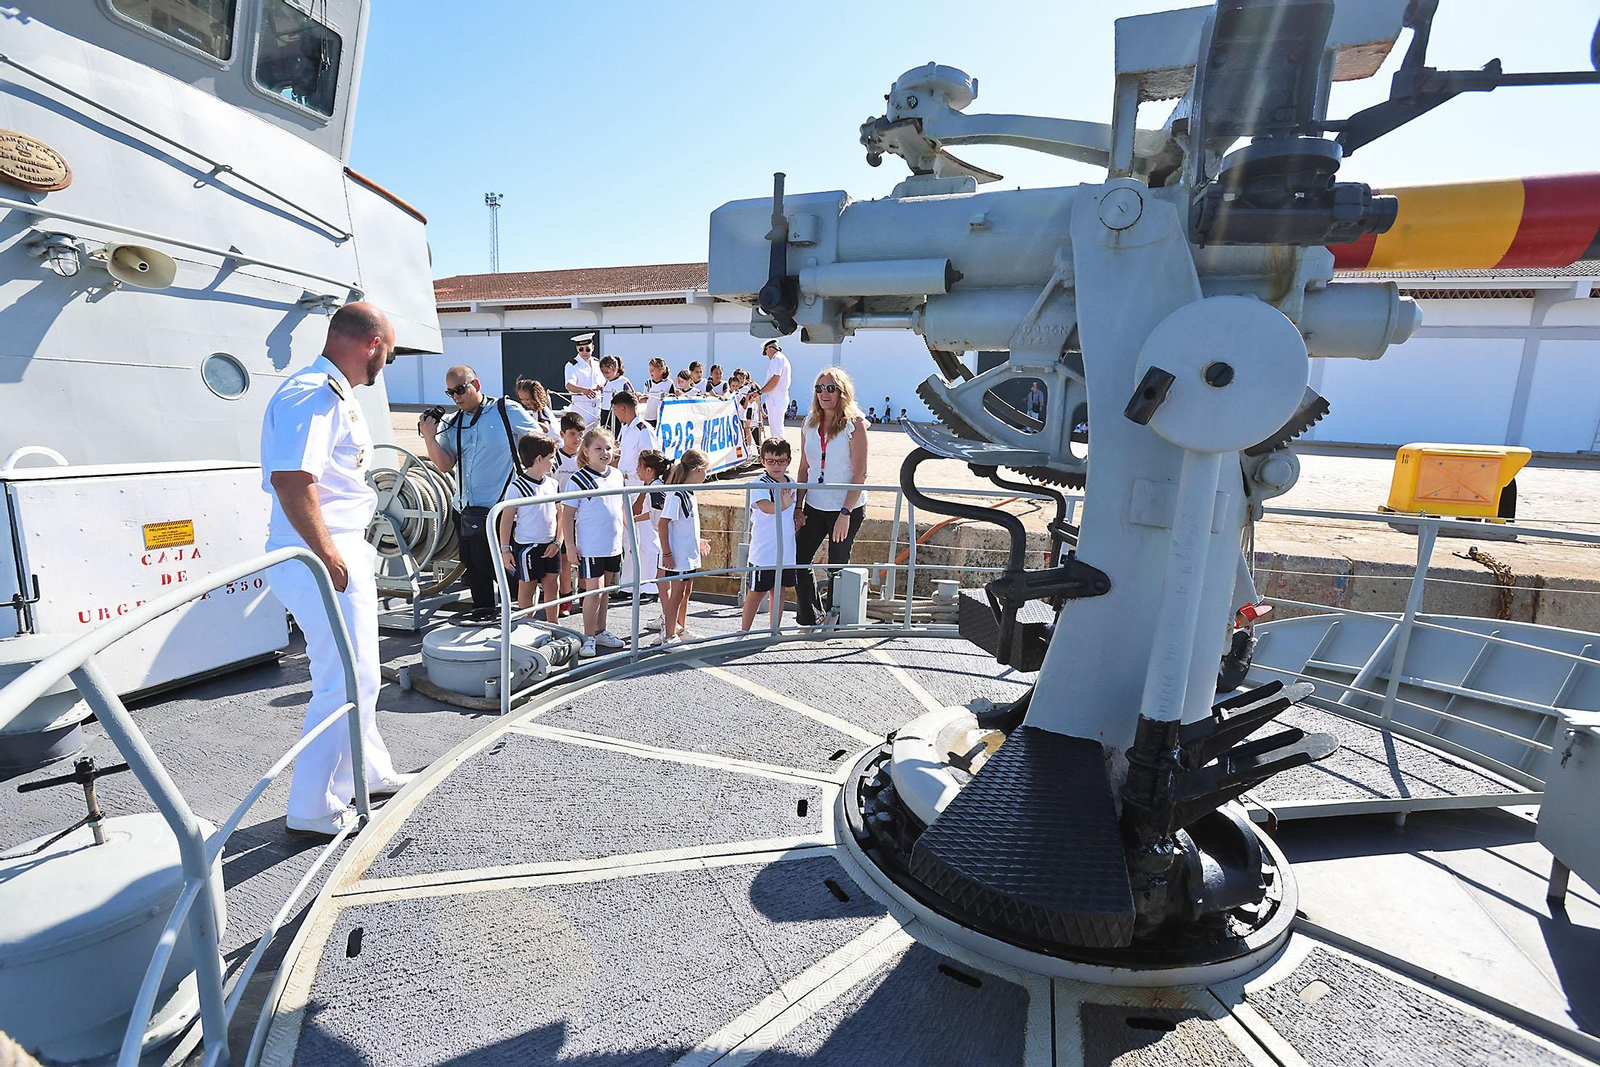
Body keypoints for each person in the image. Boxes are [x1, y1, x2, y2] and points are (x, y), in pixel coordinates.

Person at [261, 302, 409, 836]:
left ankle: (368, 771)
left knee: (360, 671)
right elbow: (291, 479)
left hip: (336, 546)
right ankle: (313, 805)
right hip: (320, 551)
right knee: (345, 677)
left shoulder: (332, 392)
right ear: (371, 344)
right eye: (387, 354)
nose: (384, 365)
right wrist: (327, 554)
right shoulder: (313, 394)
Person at [419, 364, 540, 618]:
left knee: (498, 563)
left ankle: (525, 605)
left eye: (460, 389)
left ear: (476, 385)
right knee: (472, 564)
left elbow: (539, 440)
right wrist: (430, 437)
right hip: (464, 507)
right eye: (450, 393)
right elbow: (444, 464)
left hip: (498, 508)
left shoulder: (506, 410)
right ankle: (484, 611)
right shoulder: (454, 423)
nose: (456, 397)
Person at [794, 367, 870, 628]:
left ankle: (834, 618)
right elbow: (804, 468)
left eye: (830, 388)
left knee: (838, 566)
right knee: (798, 561)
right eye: (819, 388)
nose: (824, 394)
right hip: (815, 505)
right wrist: (797, 505)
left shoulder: (855, 424)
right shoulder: (809, 423)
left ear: (842, 392)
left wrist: (845, 514)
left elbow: (860, 473)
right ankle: (811, 616)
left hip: (845, 507)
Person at [559, 428, 629, 658]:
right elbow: (567, 515)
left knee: (606, 590)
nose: (604, 453)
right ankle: (588, 636)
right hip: (590, 546)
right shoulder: (577, 479)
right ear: (586, 451)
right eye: (598, 448)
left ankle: (600, 630)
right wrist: (569, 545)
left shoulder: (617, 475)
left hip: (613, 543)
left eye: (608, 448)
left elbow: (619, 508)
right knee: (593, 591)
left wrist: (630, 534)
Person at [497, 433, 562, 623]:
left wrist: (558, 541)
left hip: (550, 544)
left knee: (552, 586)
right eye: (551, 458)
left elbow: (560, 513)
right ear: (539, 459)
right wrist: (505, 550)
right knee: (527, 587)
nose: (554, 461)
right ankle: (527, 624)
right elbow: (507, 519)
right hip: (527, 546)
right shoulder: (517, 487)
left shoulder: (553, 484)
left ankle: (553, 624)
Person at [739, 437, 798, 633]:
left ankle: (775, 628)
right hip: (764, 549)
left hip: (786, 548)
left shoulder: (791, 482)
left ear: (788, 461)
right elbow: (765, 506)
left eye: (781, 461)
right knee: (756, 592)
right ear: (763, 461)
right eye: (771, 461)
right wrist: (785, 505)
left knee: (779, 591)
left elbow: (792, 509)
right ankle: (744, 630)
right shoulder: (761, 482)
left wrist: (797, 512)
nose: (776, 466)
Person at [656, 449, 710, 646]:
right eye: (706, 470)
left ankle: (679, 627)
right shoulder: (676, 494)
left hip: (689, 552)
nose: (707, 475)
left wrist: (698, 540)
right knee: (676, 594)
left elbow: (686, 525)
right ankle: (668, 635)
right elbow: (663, 524)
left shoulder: (689, 493)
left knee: (685, 592)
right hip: (679, 554)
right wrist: (667, 553)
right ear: (697, 470)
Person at [552, 411, 586, 615]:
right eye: (572, 434)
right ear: (562, 434)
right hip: (562, 515)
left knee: (583, 556)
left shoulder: (586, 457)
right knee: (564, 558)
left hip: (583, 515)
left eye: (580, 434)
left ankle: (583, 595)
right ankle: (565, 599)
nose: (576, 439)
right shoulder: (554, 458)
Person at [752, 341, 791, 438]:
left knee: (776, 431)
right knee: (777, 428)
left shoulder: (777, 358)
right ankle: (780, 451)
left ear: (769, 348)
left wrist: (760, 392)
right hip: (778, 398)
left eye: (766, 351)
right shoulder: (781, 358)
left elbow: (775, 379)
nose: (767, 355)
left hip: (776, 399)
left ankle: (780, 452)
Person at [564, 333, 604, 426]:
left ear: (593, 348)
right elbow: (569, 385)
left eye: (588, 349)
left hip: (597, 406)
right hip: (581, 407)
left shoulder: (597, 363)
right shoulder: (572, 365)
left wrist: (602, 386)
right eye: (581, 349)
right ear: (577, 349)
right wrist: (583, 390)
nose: (584, 352)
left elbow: (603, 381)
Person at [598, 355, 633, 436]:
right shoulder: (607, 382)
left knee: (617, 436)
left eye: (607, 372)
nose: (605, 375)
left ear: (615, 369)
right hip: (605, 412)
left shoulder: (623, 381)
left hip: (618, 414)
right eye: (603, 372)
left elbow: (631, 398)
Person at [642, 357, 673, 423]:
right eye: (649, 370)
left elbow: (672, 400)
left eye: (652, 370)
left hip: (663, 417)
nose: (650, 372)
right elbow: (645, 398)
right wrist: (638, 398)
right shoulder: (648, 383)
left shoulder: (669, 383)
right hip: (649, 417)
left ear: (661, 371)